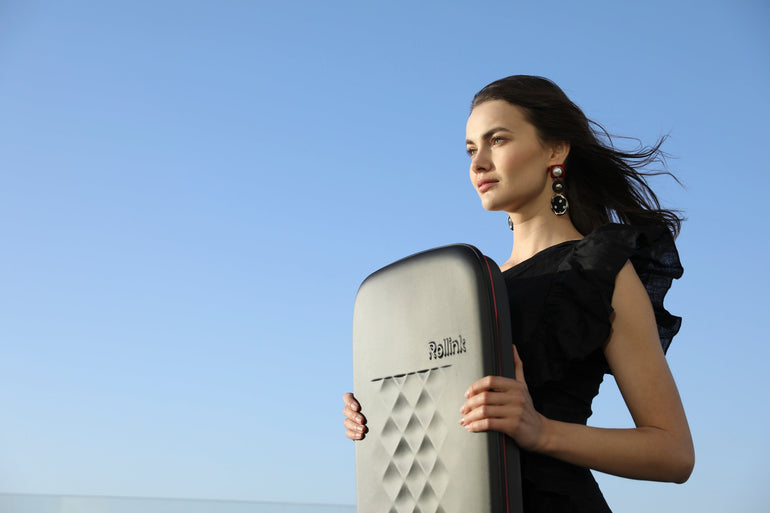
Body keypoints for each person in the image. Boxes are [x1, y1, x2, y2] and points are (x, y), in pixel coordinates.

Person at [342, 75, 694, 512]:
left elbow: (674, 453)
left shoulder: (598, 268)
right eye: (471, 149)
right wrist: (382, 414)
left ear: (555, 150)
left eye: (497, 140)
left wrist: (541, 431)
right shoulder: (472, 284)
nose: (478, 163)